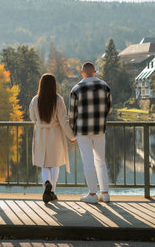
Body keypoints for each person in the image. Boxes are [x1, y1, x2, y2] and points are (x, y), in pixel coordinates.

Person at [29, 73, 77, 203]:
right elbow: (63, 121)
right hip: (55, 135)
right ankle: (52, 192)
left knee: (44, 164)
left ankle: (46, 183)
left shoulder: (35, 100)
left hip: (40, 134)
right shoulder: (58, 100)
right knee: (55, 164)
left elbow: (32, 117)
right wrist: (72, 136)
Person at [69, 62, 112, 204]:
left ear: (82, 73)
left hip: (83, 130)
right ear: (94, 71)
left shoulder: (76, 89)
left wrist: (73, 131)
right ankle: (105, 194)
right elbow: (109, 108)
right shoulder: (105, 87)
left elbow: (72, 114)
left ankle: (92, 194)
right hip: (99, 129)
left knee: (88, 161)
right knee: (101, 161)